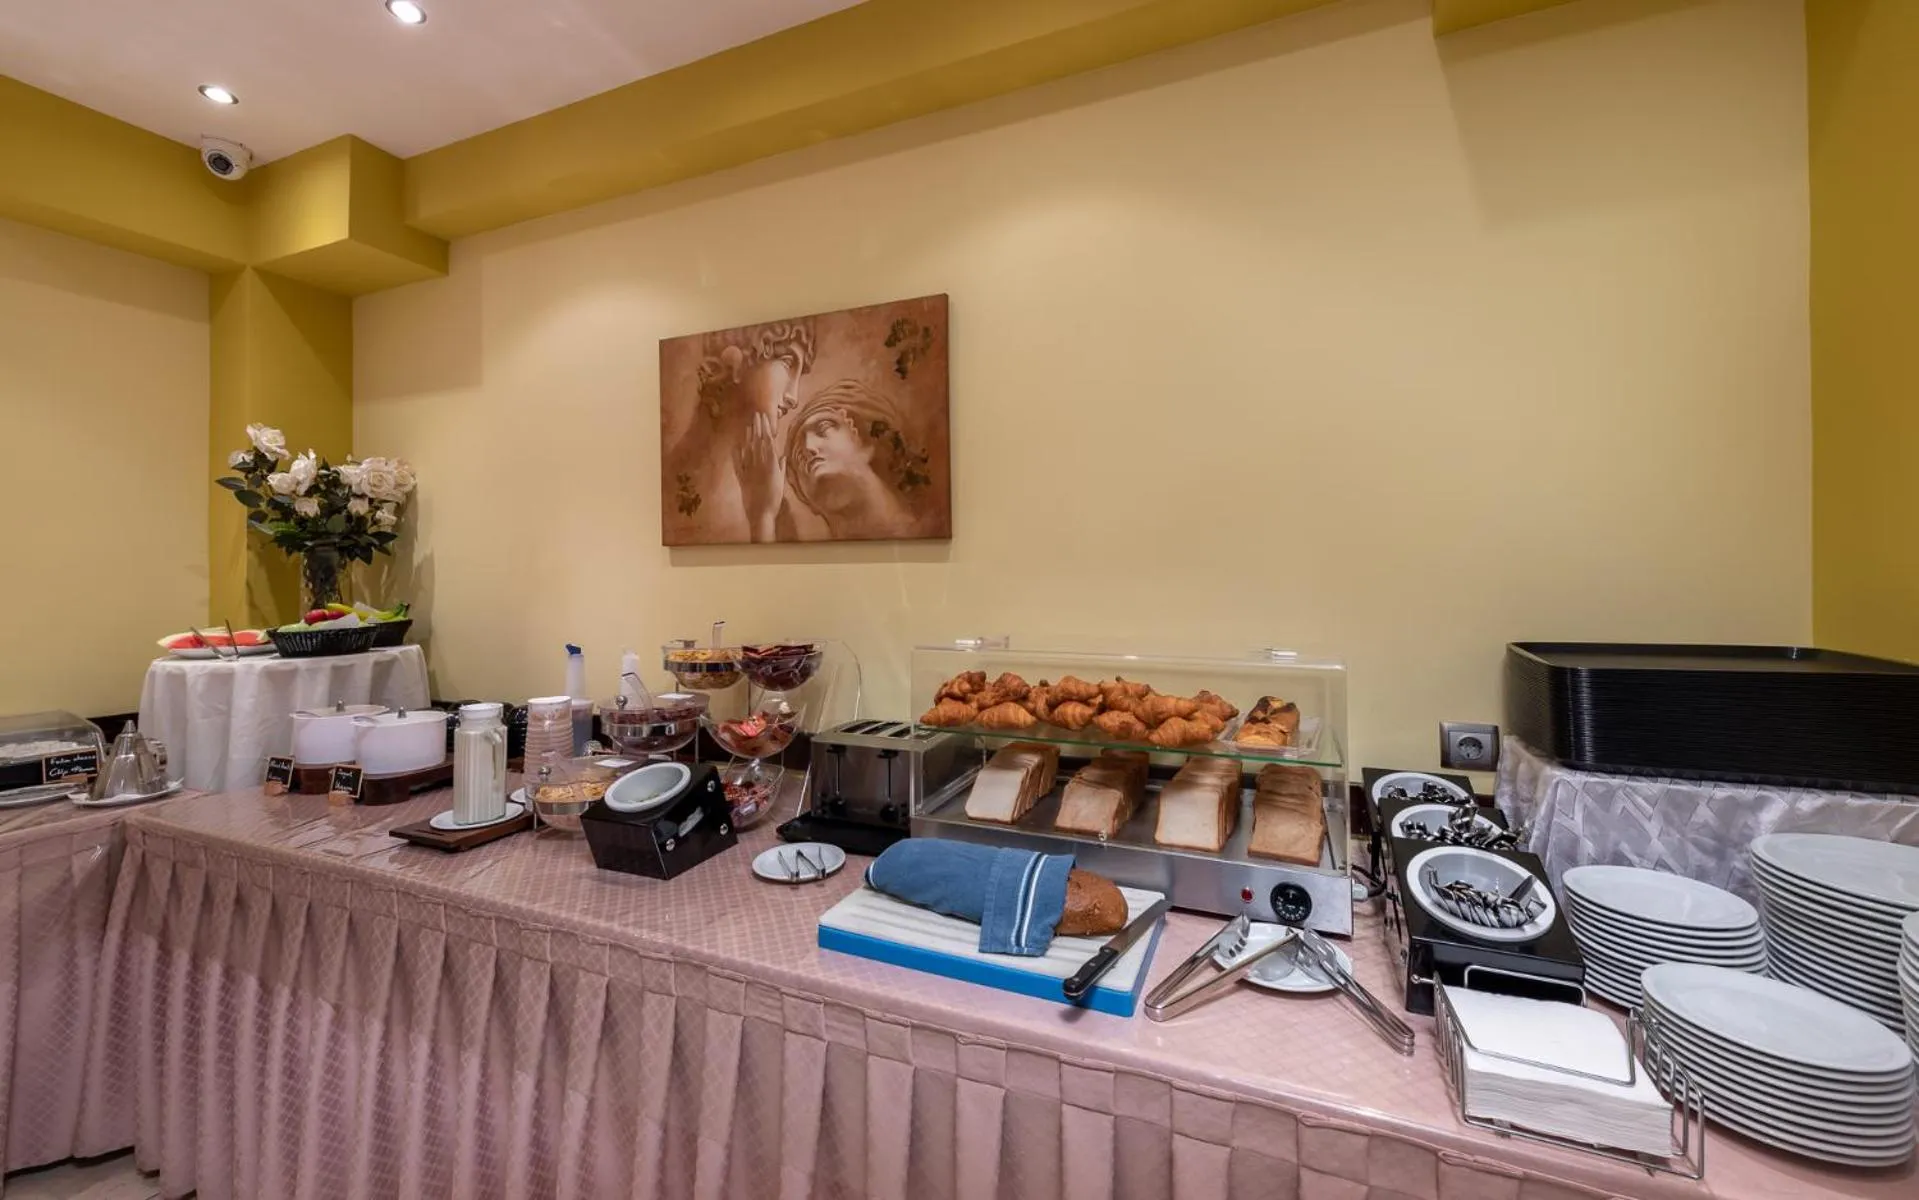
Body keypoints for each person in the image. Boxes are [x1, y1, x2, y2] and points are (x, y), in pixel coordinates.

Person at [664, 320, 815, 544]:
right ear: (735, 363)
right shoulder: (672, 478)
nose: (794, 396)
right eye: (786, 362)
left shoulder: (773, 493)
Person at [781, 378, 939, 541]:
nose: (809, 447)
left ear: (866, 441)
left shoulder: (928, 531)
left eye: (824, 428)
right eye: (799, 457)